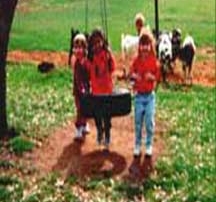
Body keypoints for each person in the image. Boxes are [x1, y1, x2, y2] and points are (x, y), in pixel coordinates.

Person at [129, 28, 160, 157]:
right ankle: (137, 144)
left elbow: (158, 77)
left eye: (147, 45)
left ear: (150, 45)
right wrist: (134, 76)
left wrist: (151, 77)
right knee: (137, 122)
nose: (144, 48)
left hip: (149, 96)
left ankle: (148, 145)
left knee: (149, 122)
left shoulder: (154, 61)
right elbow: (131, 74)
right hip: (138, 96)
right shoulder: (136, 60)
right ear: (139, 46)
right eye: (142, 45)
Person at [88, 28, 116, 150]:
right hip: (95, 91)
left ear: (103, 42)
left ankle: (108, 134)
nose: (97, 45)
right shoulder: (91, 57)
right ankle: (100, 130)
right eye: (94, 43)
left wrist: (110, 58)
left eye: (99, 42)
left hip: (107, 90)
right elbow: (88, 71)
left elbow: (112, 68)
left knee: (107, 115)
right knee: (97, 114)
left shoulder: (106, 55)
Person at [70, 33, 90, 139]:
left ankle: (85, 124)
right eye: (76, 48)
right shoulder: (76, 62)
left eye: (81, 48)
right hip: (78, 91)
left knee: (85, 108)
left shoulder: (86, 61)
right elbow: (77, 78)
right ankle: (78, 128)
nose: (78, 50)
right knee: (80, 109)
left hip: (86, 90)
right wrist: (81, 88)